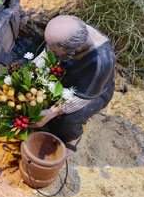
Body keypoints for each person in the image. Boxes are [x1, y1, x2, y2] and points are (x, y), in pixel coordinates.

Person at [31, 15, 116, 156]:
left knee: (67, 119)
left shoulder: (101, 62)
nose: (52, 52)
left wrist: (53, 112)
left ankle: (74, 137)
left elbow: (81, 98)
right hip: (69, 80)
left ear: (74, 51)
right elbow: (46, 55)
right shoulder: (70, 35)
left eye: (56, 52)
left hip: (92, 93)